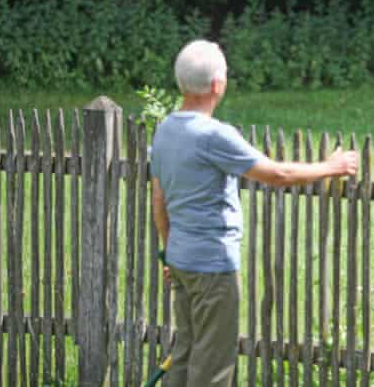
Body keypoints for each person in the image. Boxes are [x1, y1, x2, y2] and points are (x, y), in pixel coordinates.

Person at [150, 39, 358, 387]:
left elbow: (159, 198)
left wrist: (168, 250)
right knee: (212, 367)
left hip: (182, 261)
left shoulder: (166, 129)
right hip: (213, 266)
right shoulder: (214, 136)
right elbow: (277, 175)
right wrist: (331, 166)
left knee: (183, 356)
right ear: (218, 85)